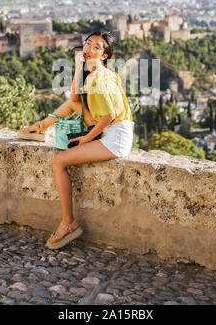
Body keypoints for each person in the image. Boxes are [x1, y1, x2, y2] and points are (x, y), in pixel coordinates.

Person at [18, 31, 134, 249]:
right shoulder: (95, 73)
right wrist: (78, 67)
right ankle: (38, 129)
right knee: (73, 105)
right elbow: (73, 100)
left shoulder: (99, 78)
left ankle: (68, 223)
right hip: (108, 128)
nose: (89, 48)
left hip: (115, 135)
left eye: (97, 47)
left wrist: (86, 139)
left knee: (59, 161)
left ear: (105, 55)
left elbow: (109, 116)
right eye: (88, 43)